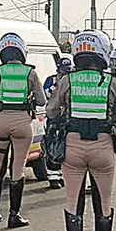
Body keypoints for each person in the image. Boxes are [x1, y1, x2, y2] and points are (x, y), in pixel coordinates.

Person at [47, 30, 116, 231]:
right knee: (104, 203)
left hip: (73, 147)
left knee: (73, 203)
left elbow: (51, 111)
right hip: (103, 147)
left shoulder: (68, 80)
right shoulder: (112, 81)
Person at [0, 33, 46, 228]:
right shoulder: (30, 73)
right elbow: (42, 100)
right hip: (22, 124)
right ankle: (14, 215)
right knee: (18, 168)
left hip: (0, 122)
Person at [42, 56, 73, 190]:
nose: (66, 73)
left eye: (68, 70)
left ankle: (63, 176)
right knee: (53, 147)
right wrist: (59, 86)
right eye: (64, 70)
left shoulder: (73, 80)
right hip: (54, 118)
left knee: (68, 149)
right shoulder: (51, 80)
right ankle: (53, 177)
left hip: (68, 119)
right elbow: (46, 94)